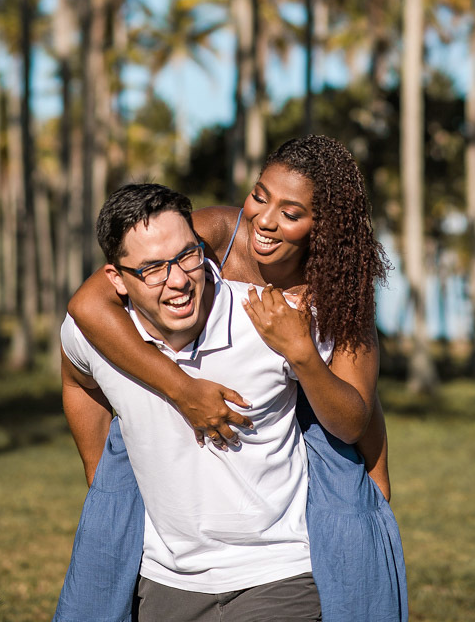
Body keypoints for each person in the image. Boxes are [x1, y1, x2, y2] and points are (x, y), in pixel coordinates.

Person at [54, 136, 408, 622]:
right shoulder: (216, 233)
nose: (264, 220)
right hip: (184, 465)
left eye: (290, 212)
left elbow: (358, 403)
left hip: (303, 410)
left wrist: (302, 352)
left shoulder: (338, 293)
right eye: (260, 195)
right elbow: (87, 306)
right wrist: (181, 395)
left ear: (322, 226)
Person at [60, 181, 324, 622]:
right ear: (116, 280)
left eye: (187, 256)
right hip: (165, 583)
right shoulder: (98, 336)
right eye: (152, 269)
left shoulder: (269, 320)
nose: (178, 280)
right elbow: (76, 379)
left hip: (280, 573)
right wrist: (102, 476)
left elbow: (354, 398)